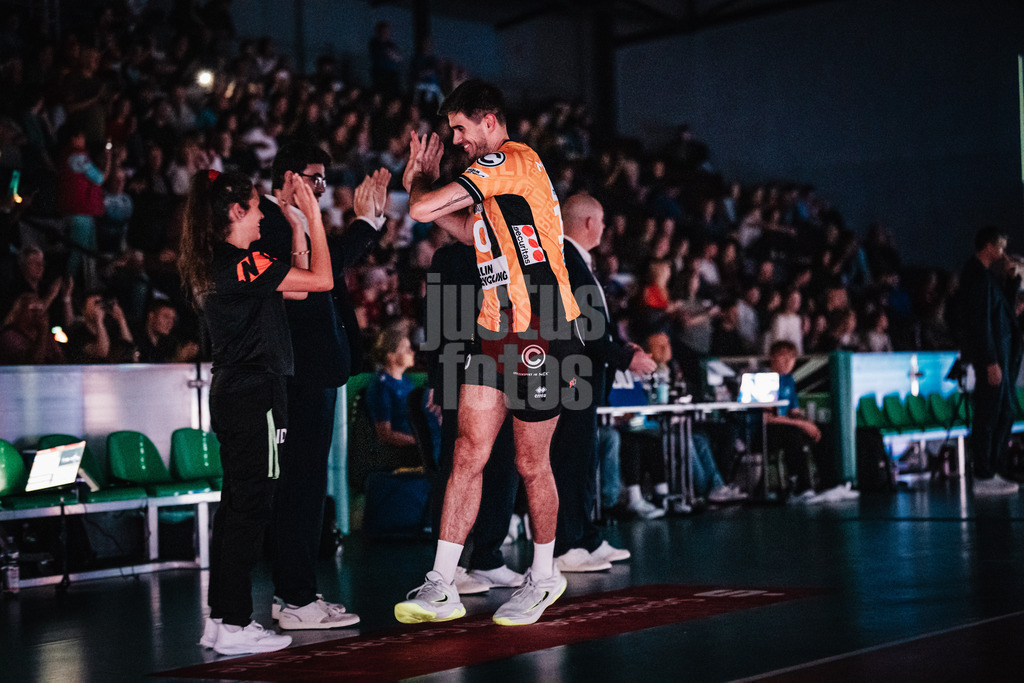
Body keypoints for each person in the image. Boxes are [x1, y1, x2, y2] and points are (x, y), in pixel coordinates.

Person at [395, 80, 583, 626]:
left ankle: (544, 575)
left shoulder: (511, 160)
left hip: (542, 332)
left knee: (530, 461)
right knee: (466, 452)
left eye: (461, 129)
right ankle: (441, 583)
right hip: (493, 330)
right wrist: (424, 194)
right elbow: (457, 227)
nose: (457, 141)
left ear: (490, 121)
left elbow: (426, 208)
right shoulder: (497, 193)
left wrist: (423, 183)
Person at [179, 168, 335, 656]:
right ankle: (236, 622)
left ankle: (220, 618)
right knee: (250, 508)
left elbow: (300, 288)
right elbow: (325, 280)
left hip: (234, 391)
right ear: (235, 212)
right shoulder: (240, 265)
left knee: (236, 506)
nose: (261, 214)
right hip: (255, 395)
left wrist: (293, 230)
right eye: (256, 206)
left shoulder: (224, 262)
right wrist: (313, 217)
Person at [249, 142, 388, 631]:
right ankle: (293, 596)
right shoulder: (268, 222)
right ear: (288, 177)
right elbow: (316, 283)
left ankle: (300, 591)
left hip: (317, 368)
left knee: (309, 487)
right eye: (314, 177)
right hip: (295, 372)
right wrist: (366, 226)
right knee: (298, 486)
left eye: (325, 179)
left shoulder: (298, 220)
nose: (322, 188)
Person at [553, 193, 656, 572]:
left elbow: (596, 328)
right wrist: (627, 357)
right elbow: (582, 329)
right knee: (569, 461)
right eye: (601, 220)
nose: (605, 228)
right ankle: (566, 545)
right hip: (570, 378)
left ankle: (586, 537)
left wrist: (618, 345)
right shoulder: (566, 260)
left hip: (583, 378)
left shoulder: (580, 262)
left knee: (582, 461)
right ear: (587, 223)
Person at [959, 226, 1022, 495]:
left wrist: (1012, 283)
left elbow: (1001, 312)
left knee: (1004, 411)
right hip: (993, 355)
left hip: (1002, 353)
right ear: (988, 246)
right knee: (988, 413)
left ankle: (994, 467)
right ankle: (983, 472)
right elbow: (980, 323)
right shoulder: (976, 278)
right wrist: (990, 360)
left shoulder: (987, 279)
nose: (1003, 253)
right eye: (1000, 247)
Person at [764, 340, 822, 498]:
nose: (788, 361)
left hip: (785, 426)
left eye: (792, 357)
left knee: (822, 430)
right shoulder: (762, 379)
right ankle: (800, 486)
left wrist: (807, 422)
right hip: (763, 434)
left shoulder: (789, 380)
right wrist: (801, 424)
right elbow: (767, 419)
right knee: (792, 434)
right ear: (772, 357)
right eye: (783, 356)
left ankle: (828, 484)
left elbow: (794, 411)